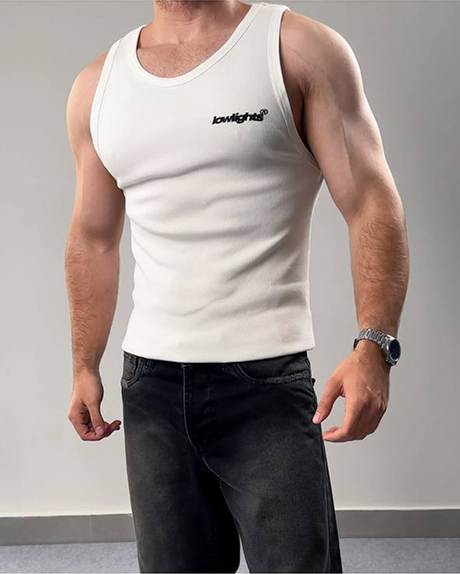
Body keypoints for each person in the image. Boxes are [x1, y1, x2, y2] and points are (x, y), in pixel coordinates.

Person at [65, 1, 409, 572]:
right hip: (150, 388)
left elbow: (372, 202)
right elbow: (93, 238)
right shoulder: (97, 86)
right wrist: (84, 364)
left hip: (265, 383)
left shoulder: (296, 50)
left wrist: (375, 345)